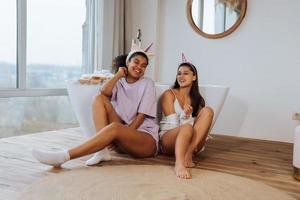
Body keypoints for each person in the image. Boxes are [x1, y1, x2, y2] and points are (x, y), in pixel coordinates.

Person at [32, 42, 159, 167]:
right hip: (125, 138)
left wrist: (121, 134)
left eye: (143, 65)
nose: (139, 67)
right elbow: (103, 91)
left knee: (115, 127)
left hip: (145, 140)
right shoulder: (119, 82)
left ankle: (64, 156)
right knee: (99, 99)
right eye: (136, 62)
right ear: (127, 63)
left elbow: (141, 116)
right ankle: (101, 151)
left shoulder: (148, 83)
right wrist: (118, 75)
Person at [159, 58, 214, 179]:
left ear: (194, 77)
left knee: (208, 111)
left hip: (190, 144)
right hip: (169, 139)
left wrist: (188, 117)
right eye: (179, 73)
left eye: (186, 73)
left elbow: (199, 128)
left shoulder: (198, 99)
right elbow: (173, 126)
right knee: (187, 127)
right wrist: (186, 117)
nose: (181, 76)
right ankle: (179, 164)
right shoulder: (169, 94)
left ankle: (188, 154)